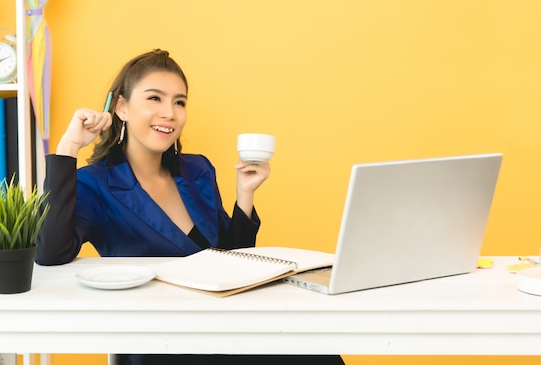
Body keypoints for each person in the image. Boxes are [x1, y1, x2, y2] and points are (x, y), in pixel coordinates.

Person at [36, 49, 345, 365]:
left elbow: (232, 258)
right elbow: (51, 252)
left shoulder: (197, 169)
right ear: (122, 107)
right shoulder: (95, 183)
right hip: (159, 341)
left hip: (224, 326)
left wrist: (245, 196)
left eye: (179, 102)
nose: (170, 112)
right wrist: (68, 149)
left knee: (317, 350)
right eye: (155, 98)